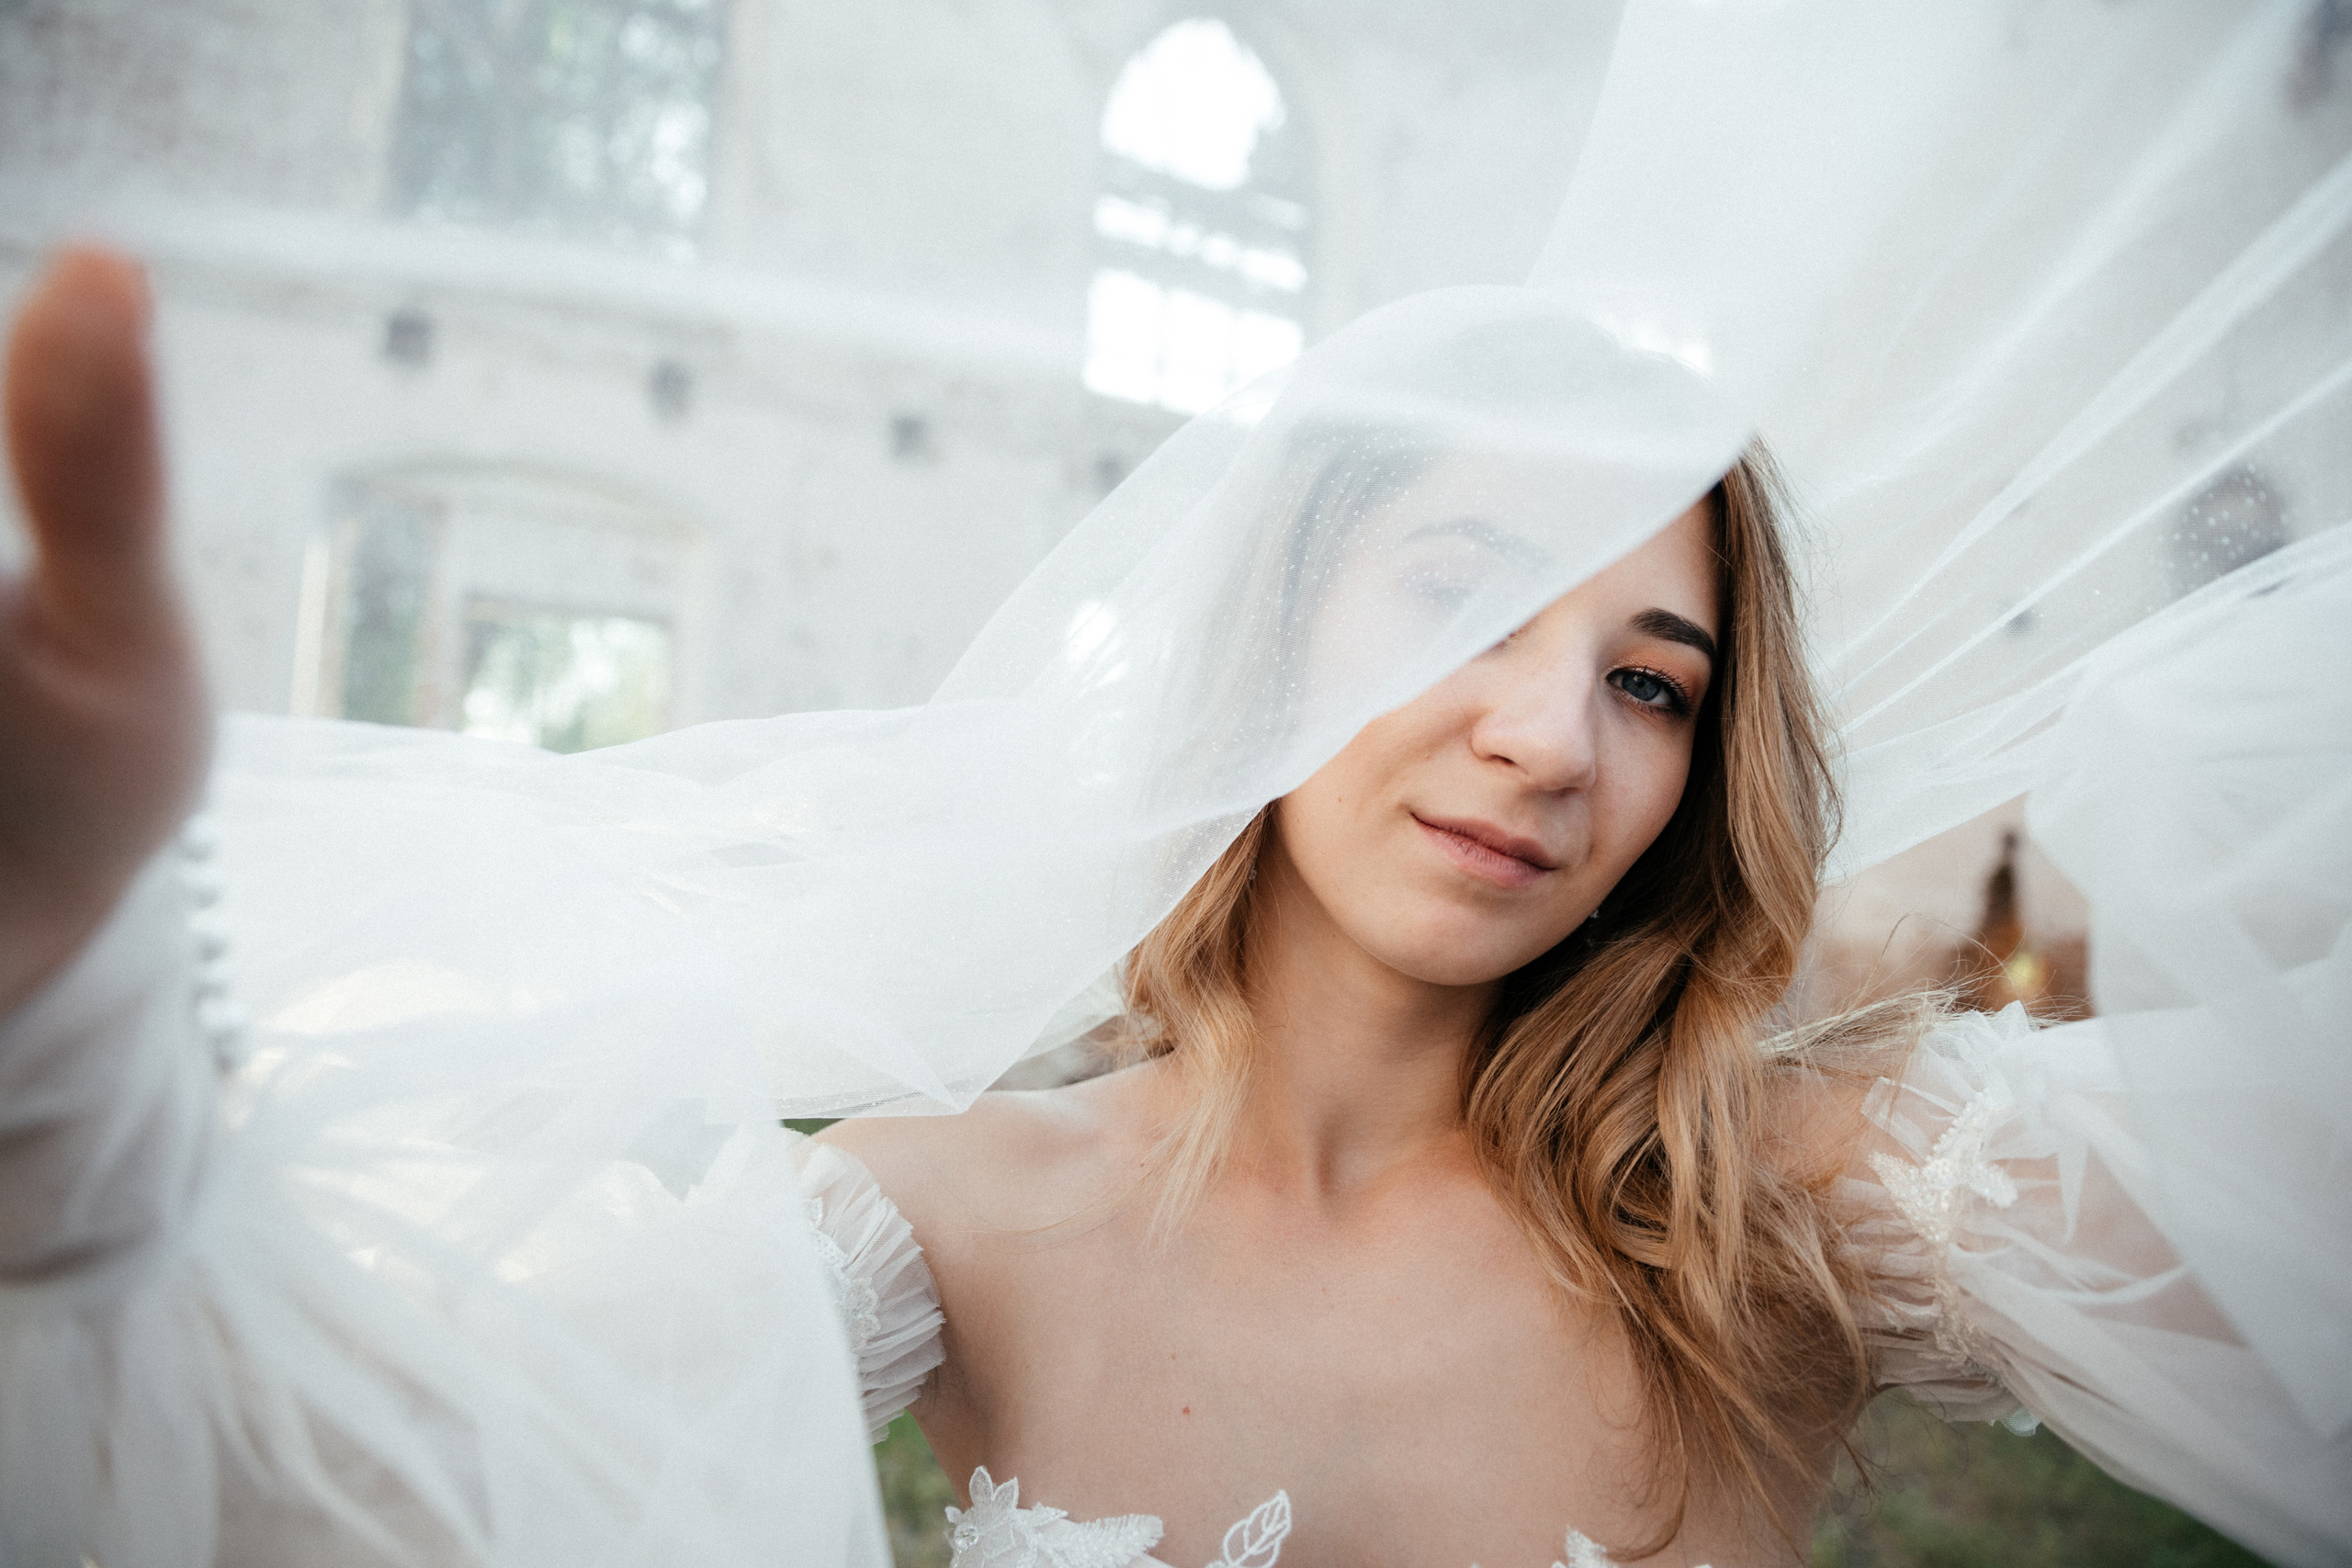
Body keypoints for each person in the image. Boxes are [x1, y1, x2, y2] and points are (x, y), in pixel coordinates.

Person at [4, 6, 2349, 1563]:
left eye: (1651, 681)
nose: (1547, 734)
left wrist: (1989, 901)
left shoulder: (1801, 1201)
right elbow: (345, 1481)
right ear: (1272, 632)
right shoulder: (945, 1215)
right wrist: (58, 1025)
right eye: (1463, 597)